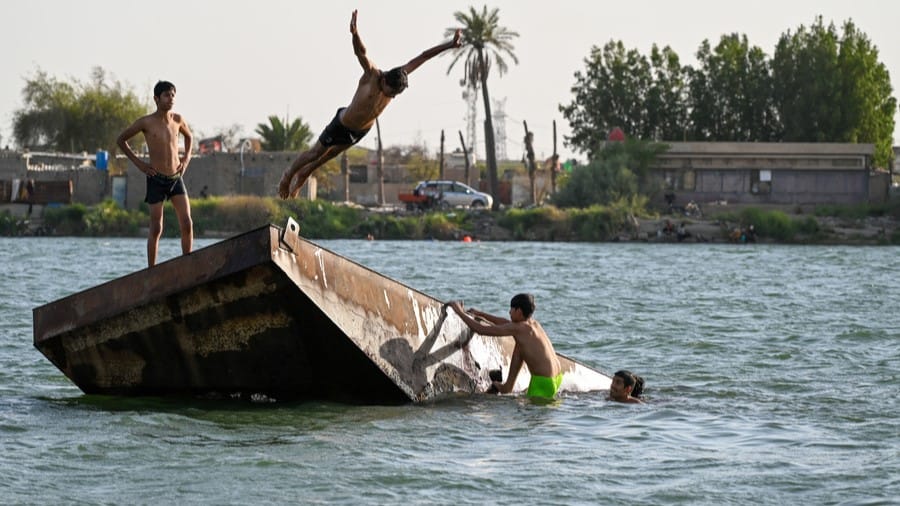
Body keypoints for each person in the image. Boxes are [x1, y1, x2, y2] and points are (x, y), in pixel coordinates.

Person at [278, 10, 462, 199]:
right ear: (384, 81)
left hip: (360, 131)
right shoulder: (372, 75)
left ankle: (304, 174)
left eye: (395, 95)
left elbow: (423, 57)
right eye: (390, 92)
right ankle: (288, 176)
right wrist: (355, 34)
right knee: (316, 153)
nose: (391, 97)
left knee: (330, 155)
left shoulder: (400, 76)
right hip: (342, 123)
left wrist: (449, 45)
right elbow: (361, 53)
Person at [117, 81, 194, 267]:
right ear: (156, 99)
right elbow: (121, 140)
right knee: (157, 227)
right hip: (156, 179)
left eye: (173, 95)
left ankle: (188, 264)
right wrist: (140, 164)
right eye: (166, 95)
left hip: (175, 178)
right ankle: (152, 269)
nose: (171, 99)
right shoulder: (146, 122)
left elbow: (189, 137)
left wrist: (186, 159)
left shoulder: (178, 120)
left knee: (187, 223)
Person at [449, 294, 563, 399]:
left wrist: (459, 311)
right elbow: (506, 323)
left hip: (543, 383)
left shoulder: (519, 329)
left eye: (511, 309)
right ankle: (507, 387)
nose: (509, 312)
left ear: (519, 311)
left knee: (527, 414)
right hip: (557, 378)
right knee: (519, 346)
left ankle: (505, 388)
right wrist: (481, 314)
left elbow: (481, 330)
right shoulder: (533, 324)